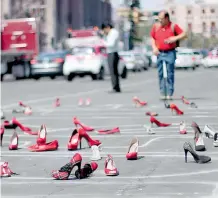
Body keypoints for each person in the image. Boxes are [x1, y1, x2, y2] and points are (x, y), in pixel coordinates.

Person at [150, 10, 187, 100]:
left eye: (161, 19)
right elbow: (152, 38)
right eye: (158, 19)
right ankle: (163, 92)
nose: (160, 21)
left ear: (167, 18)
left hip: (170, 52)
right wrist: (154, 48)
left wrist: (174, 38)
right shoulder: (156, 26)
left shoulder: (173, 26)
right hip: (159, 52)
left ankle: (169, 93)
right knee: (161, 73)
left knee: (170, 73)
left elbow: (184, 34)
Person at [101, 23, 121, 93]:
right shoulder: (111, 33)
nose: (104, 32)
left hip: (112, 53)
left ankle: (115, 87)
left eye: (104, 30)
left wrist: (103, 42)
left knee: (113, 72)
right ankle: (116, 87)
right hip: (111, 53)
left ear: (107, 27)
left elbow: (110, 44)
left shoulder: (113, 33)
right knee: (113, 72)